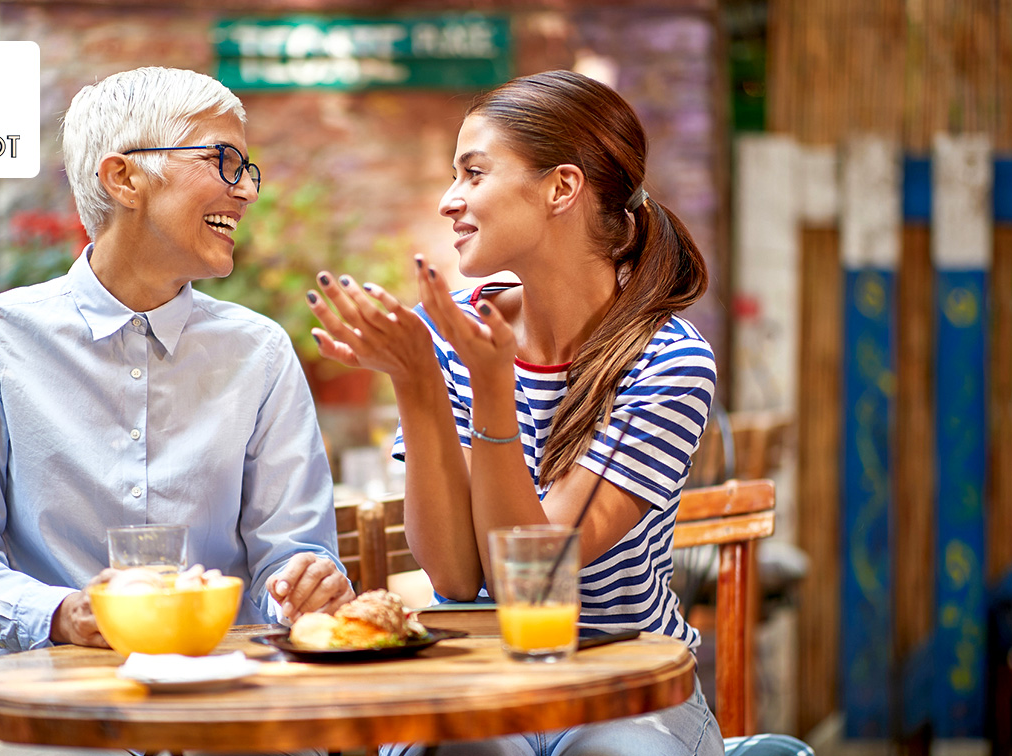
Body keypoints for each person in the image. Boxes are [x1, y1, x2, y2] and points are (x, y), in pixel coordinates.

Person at [307, 70, 811, 756]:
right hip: (481, 683)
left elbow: (535, 579)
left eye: (474, 172)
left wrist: (492, 387)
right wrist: (418, 384)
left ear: (561, 188)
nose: (451, 200)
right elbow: (456, 578)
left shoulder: (666, 364)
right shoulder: (454, 334)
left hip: (624, 688)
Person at [0, 66, 353, 755]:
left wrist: (305, 583)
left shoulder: (259, 352)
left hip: (230, 706)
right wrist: (64, 614)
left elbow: (292, 555)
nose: (244, 190)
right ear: (124, 179)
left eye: (248, 169)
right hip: (54, 711)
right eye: (223, 161)